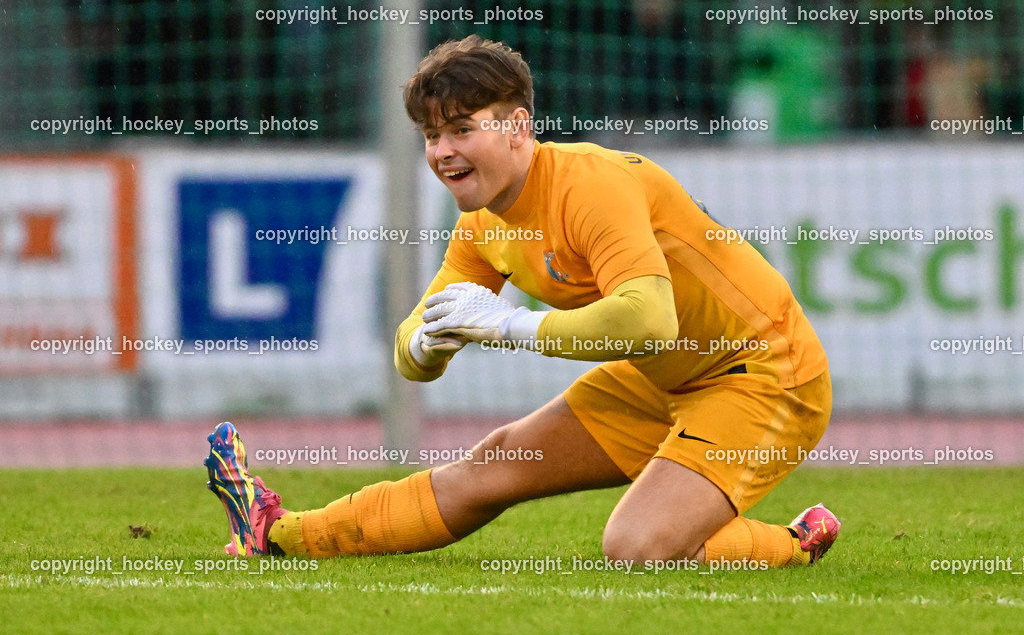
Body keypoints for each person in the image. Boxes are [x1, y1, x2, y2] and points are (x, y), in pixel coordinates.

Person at [205, 35, 839, 567]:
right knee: (493, 466)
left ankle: (795, 542)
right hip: (663, 380)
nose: (442, 151)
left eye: (461, 129)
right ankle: (278, 533)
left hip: (765, 374)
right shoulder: (481, 223)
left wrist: (511, 326)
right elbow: (411, 354)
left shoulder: (592, 184)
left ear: (518, 128)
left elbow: (649, 319)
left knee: (636, 547)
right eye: (431, 134)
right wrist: (424, 343)